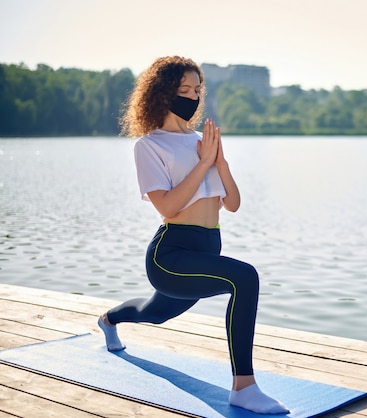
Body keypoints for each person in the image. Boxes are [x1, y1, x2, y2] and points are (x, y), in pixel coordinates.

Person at [97, 56, 289, 415]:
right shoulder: (149, 145)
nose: (192, 97)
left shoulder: (203, 140)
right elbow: (168, 208)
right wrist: (203, 163)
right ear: (162, 94)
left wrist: (220, 162)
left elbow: (231, 204)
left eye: (197, 90)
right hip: (170, 256)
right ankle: (244, 387)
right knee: (244, 277)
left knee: (153, 313)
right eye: (184, 90)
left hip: (207, 250)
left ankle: (108, 320)